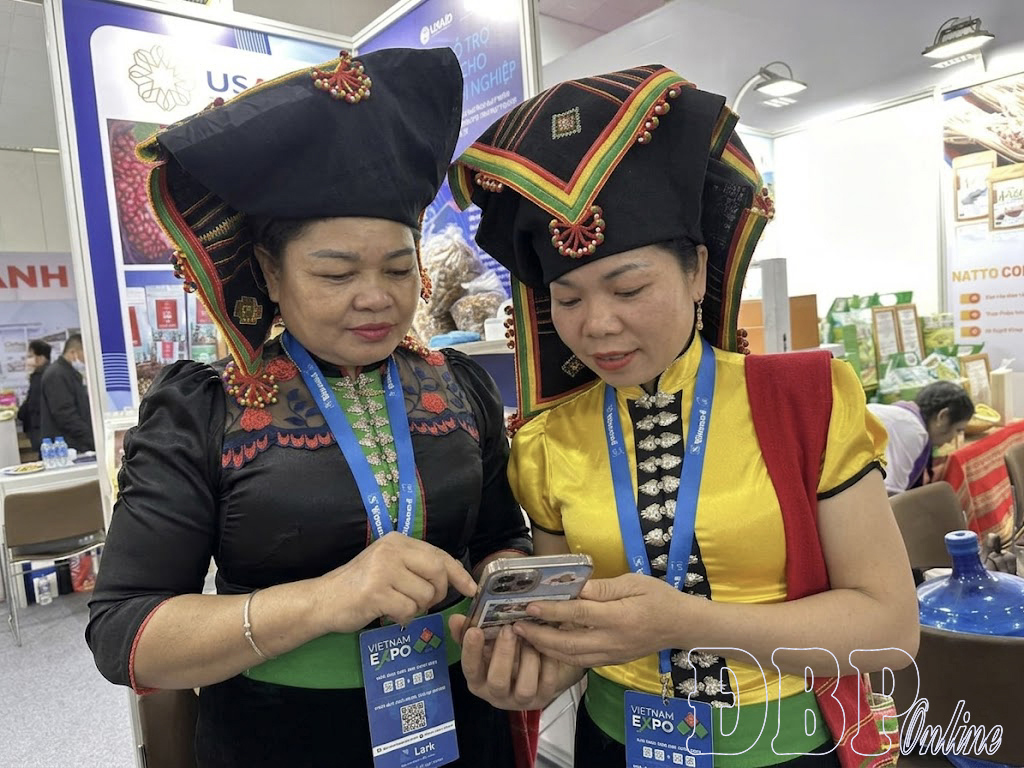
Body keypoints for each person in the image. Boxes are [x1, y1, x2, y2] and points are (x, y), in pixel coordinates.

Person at [447, 66, 919, 767]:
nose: (597, 325)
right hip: (614, 746)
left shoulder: (808, 399)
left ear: (696, 270)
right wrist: (533, 669)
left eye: (628, 288)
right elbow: (572, 634)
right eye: (568, 299)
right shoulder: (547, 441)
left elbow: (889, 631)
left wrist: (687, 623)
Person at [85, 49, 535, 768]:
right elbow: (123, 633)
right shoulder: (205, 408)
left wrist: (509, 597)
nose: (376, 297)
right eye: (335, 273)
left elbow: (498, 538)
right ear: (270, 271)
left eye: (398, 268)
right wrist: (325, 600)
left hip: (458, 723)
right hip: (279, 739)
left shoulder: (459, 386)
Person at [867, 381, 974, 495]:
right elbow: (891, 493)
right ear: (943, 416)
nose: (952, 439)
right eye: (958, 430)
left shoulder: (903, 414)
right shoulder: (913, 430)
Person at [39, 333, 94, 452]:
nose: (86, 360)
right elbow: (65, 414)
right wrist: (91, 438)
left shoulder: (69, 373)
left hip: (76, 442)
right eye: (84, 355)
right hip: (66, 445)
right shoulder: (56, 374)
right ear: (73, 352)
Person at [18, 339, 52, 452]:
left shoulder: (40, 377)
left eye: (30, 356)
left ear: (41, 357)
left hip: (41, 430)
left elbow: (33, 404)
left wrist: (20, 414)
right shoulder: (43, 374)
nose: (28, 360)